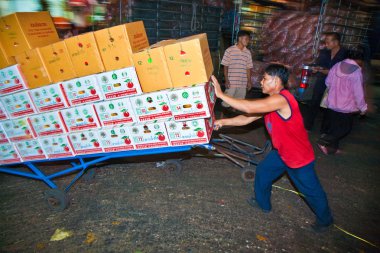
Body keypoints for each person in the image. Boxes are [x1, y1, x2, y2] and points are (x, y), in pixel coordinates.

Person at [211, 64, 334, 232]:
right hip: (282, 153)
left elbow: (248, 107)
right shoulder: (271, 102)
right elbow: (247, 118)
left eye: (265, 79)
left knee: (311, 191)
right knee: (263, 171)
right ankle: (263, 204)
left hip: (298, 157)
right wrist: (222, 122)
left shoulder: (281, 99)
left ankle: (325, 220)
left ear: (276, 81)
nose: (261, 82)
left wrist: (220, 94)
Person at [317, 50, 367, 155]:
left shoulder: (337, 65)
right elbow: (358, 92)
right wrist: (363, 107)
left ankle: (332, 149)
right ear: (359, 59)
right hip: (346, 106)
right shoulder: (357, 71)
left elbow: (328, 82)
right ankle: (324, 140)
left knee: (335, 126)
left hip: (332, 103)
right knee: (345, 128)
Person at [303, 32, 348, 130]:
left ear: (336, 42)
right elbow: (319, 64)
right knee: (314, 101)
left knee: (331, 106)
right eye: (325, 42)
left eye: (328, 42)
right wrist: (316, 69)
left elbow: (344, 71)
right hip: (322, 80)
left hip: (337, 83)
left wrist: (328, 71)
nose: (326, 44)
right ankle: (307, 126)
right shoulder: (324, 52)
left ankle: (325, 130)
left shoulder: (345, 53)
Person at [221, 30, 253, 109]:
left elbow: (248, 68)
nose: (248, 41)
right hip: (231, 83)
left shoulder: (248, 53)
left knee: (238, 105)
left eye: (248, 39)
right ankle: (222, 120)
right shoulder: (229, 50)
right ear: (240, 38)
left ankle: (234, 120)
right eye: (246, 39)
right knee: (226, 103)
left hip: (242, 83)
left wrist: (249, 81)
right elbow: (225, 66)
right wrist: (226, 80)